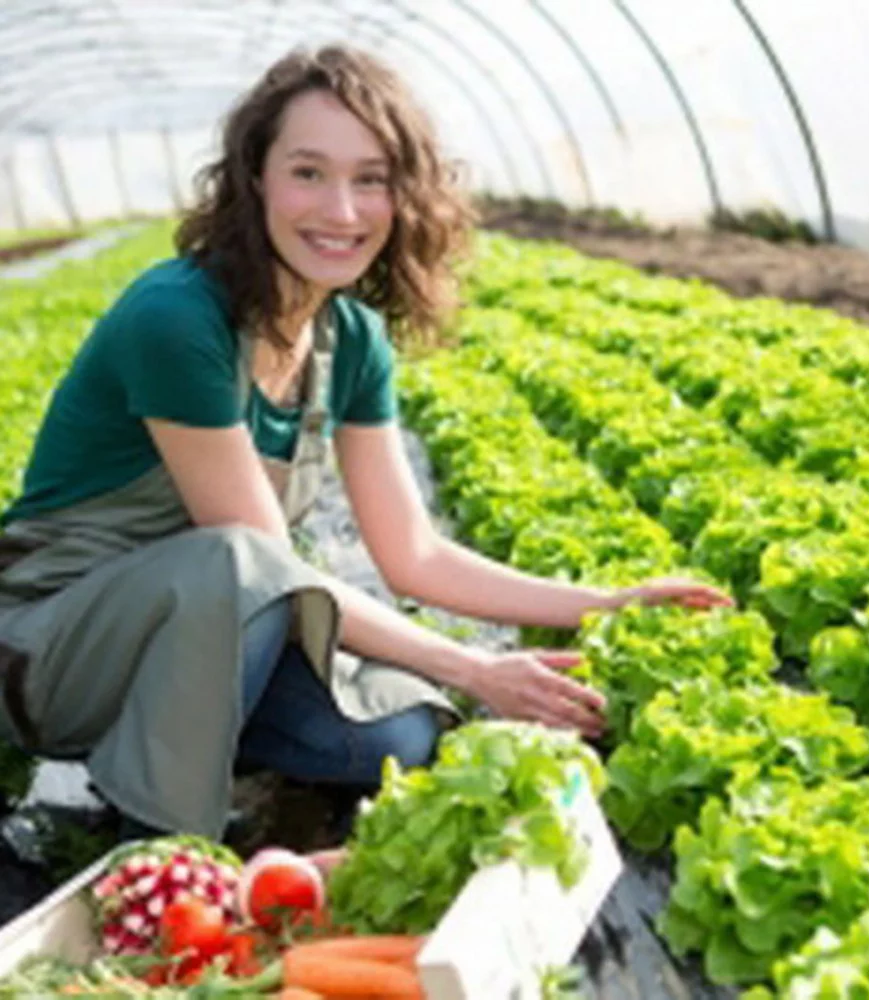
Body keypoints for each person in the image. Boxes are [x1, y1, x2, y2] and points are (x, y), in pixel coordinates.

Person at [0, 46, 729, 842]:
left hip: (205, 641)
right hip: (56, 653)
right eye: (308, 173)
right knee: (239, 562)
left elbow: (415, 554)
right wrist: (476, 668)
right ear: (255, 178)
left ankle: (183, 752)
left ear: (404, 195)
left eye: (371, 179)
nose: (341, 211)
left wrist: (604, 604)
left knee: (395, 736)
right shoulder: (177, 318)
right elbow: (262, 570)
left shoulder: (349, 337)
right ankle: (157, 846)